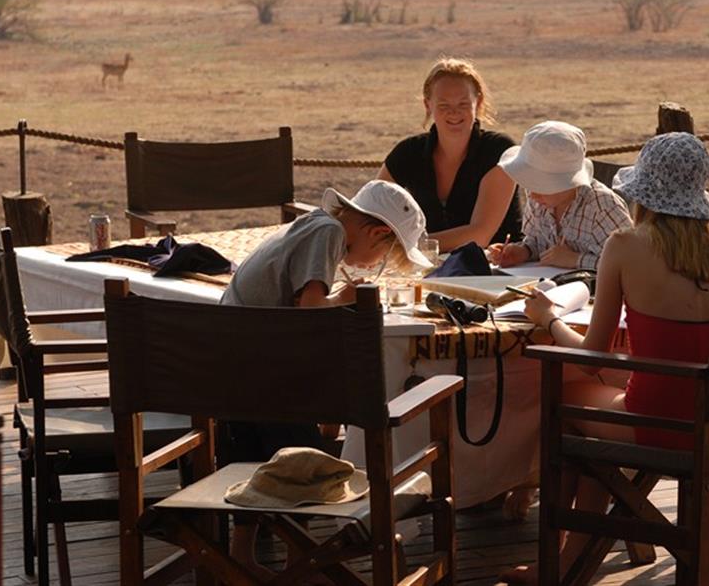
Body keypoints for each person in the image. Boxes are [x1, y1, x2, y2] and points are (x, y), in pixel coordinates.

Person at [501, 133, 709, 584]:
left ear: (644, 193)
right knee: (601, 403)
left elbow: (591, 357)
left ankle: (564, 561)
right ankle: (578, 555)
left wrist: (549, 319)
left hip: (657, 422)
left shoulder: (627, 245)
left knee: (568, 397)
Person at [220, 179, 431, 578]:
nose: (372, 264)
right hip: (264, 374)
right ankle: (298, 561)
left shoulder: (314, 225)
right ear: (377, 232)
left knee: (250, 458)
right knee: (303, 462)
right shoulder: (329, 233)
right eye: (383, 256)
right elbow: (310, 311)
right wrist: (347, 300)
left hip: (237, 370)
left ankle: (241, 556)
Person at [378, 57, 522, 251]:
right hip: (426, 270)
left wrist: (407, 247)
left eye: (463, 104)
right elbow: (371, 209)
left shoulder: (498, 150)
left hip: (498, 272)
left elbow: (480, 235)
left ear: (478, 102)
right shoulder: (408, 152)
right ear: (427, 105)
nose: (454, 113)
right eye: (444, 105)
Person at [488, 120, 632, 270]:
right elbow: (538, 242)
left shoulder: (603, 208)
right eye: (530, 184)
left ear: (568, 182)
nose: (531, 195)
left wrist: (576, 260)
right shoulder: (539, 199)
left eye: (541, 186)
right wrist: (523, 251)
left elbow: (631, 263)